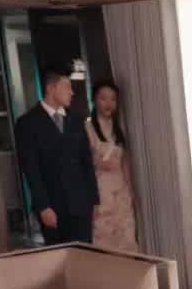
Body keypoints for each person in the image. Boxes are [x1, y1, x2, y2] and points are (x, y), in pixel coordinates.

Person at [14, 67, 99, 246]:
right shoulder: (27, 123)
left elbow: (87, 162)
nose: (72, 92)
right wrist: (43, 206)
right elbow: (31, 169)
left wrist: (93, 200)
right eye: (67, 86)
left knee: (85, 254)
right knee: (60, 255)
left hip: (81, 205)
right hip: (53, 206)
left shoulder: (76, 120)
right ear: (51, 88)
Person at [84, 77, 138, 251]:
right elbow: (82, 162)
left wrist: (130, 189)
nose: (109, 103)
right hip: (100, 190)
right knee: (104, 237)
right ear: (94, 100)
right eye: (103, 98)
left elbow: (125, 161)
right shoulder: (87, 128)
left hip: (121, 189)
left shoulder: (119, 127)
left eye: (113, 99)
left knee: (127, 236)